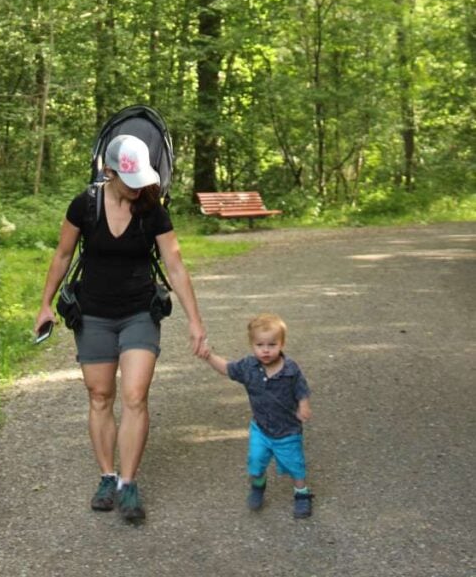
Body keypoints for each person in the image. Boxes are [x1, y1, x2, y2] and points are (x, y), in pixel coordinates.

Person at [34, 133, 206, 524]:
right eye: (129, 180)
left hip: (138, 313)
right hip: (92, 313)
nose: (137, 187)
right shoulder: (84, 205)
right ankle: (107, 477)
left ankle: (129, 484)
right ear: (108, 171)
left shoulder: (153, 211)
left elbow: (175, 265)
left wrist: (196, 320)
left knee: (134, 395)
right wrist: (45, 304)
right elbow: (62, 255)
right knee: (99, 395)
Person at [200, 312, 314, 518]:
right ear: (252, 346)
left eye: (272, 344)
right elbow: (226, 369)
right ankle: (258, 485)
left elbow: (301, 389)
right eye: (260, 345)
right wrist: (209, 356)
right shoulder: (248, 367)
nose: (266, 350)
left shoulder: (290, 369)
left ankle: (302, 494)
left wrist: (304, 405)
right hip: (261, 429)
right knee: (255, 461)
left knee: (296, 465)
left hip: (287, 431)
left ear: (282, 344)